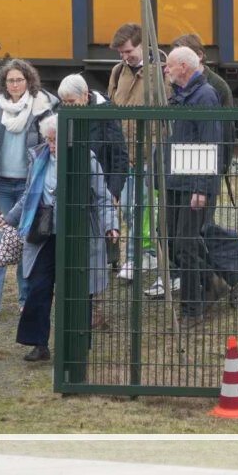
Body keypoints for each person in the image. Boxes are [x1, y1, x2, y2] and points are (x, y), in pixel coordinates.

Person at [4, 114, 119, 361]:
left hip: (78, 233)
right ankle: (38, 343)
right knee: (38, 286)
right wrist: (9, 219)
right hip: (44, 234)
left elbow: (102, 197)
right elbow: (28, 195)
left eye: (55, 139)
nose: (51, 144)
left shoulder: (85, 159)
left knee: (78, 290)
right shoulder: (39, 158)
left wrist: (111, 226)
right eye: (49, 139)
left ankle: (76, 345)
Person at [0, 59, 57, 316]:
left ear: (28, 81)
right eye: (10, 80)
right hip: (2, 188)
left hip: (29, 190)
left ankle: (25, 299)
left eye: (19, 80)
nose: (15, 84)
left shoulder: (42, 109)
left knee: (25, 240)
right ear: (3, 83)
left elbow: (48, 149)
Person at [163, 46, 222, 324]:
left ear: (184, 67)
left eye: (170, 65)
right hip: (177, 180)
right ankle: (211, 283)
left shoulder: (205, 96)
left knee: (186, 246)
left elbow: (210, 144)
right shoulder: (181, 95)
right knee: (176, 243)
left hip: (192, 184)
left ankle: (192, 307)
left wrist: (201, 188)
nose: (166, 70)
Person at [107, 22, 158, 283]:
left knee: (143, 208)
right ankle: (143, 253)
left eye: (128, 51)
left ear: (143, 45)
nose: (125, 57)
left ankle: (139, 256)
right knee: (128, 209)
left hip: (149, 155)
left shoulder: (160, 72)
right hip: (123, 157)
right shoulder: (118, 72)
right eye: (121, 53)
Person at [56, 74, 129, 202]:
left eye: (71, 101)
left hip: (100, 189)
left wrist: (113, 192)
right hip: (73, 187)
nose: (67, 106)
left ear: (85, 95)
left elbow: (119, 156)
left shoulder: (106, 115)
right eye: (64, 102)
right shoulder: (64, 114)